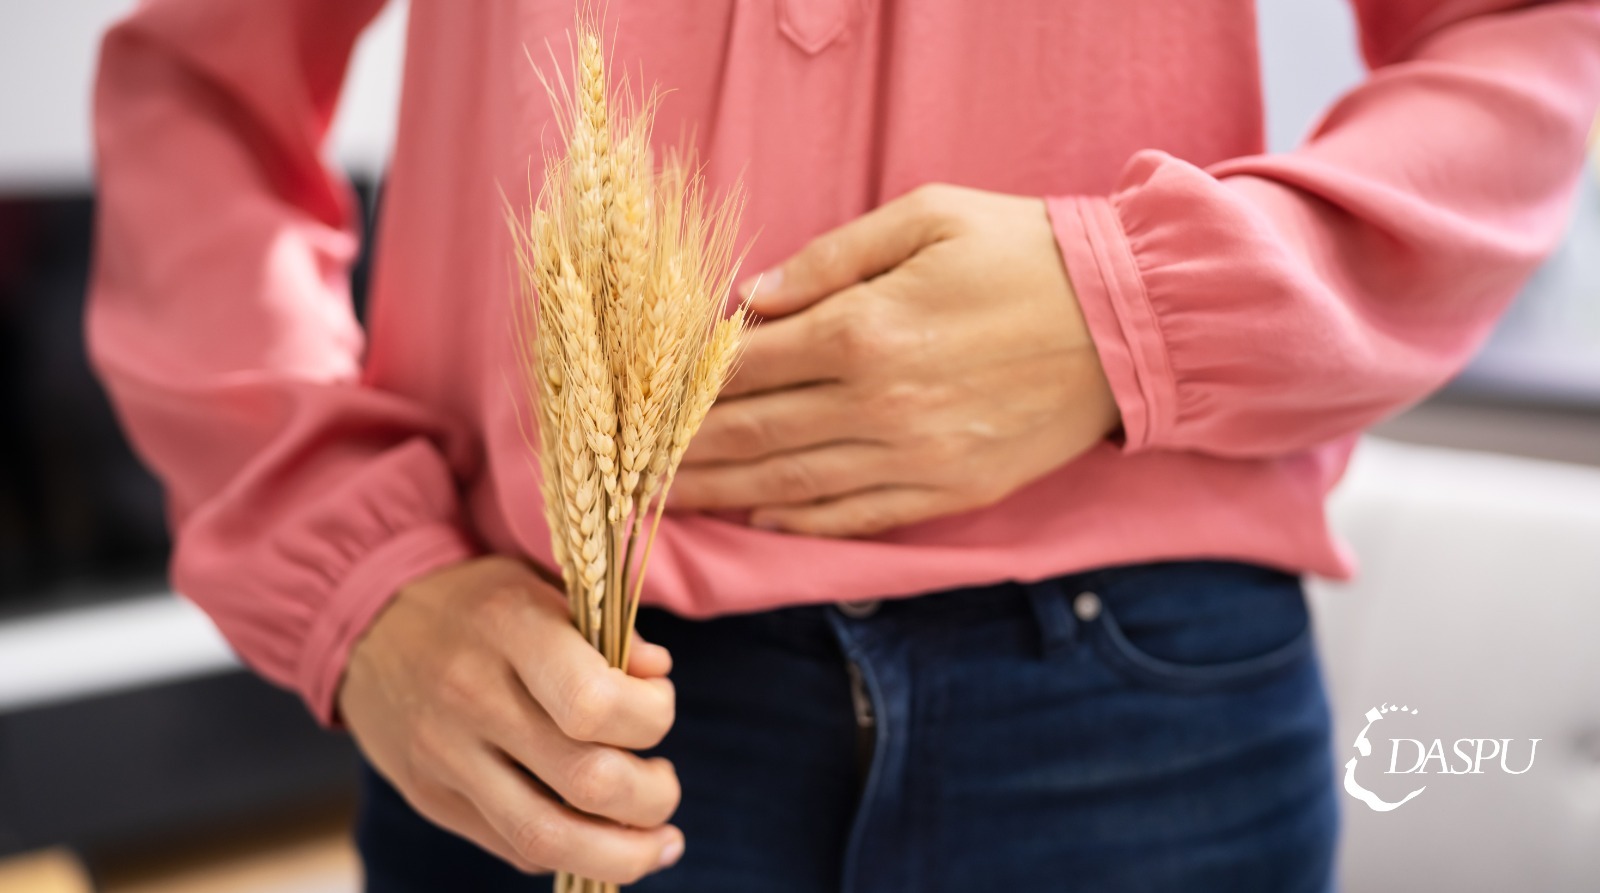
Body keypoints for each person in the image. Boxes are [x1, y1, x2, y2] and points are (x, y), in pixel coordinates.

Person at [88, 1, 1600, 890]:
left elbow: (1531, 37)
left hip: (1139, 716)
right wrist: (358, 579)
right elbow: (198, 89)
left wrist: (1134, 305)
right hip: (551, 706)